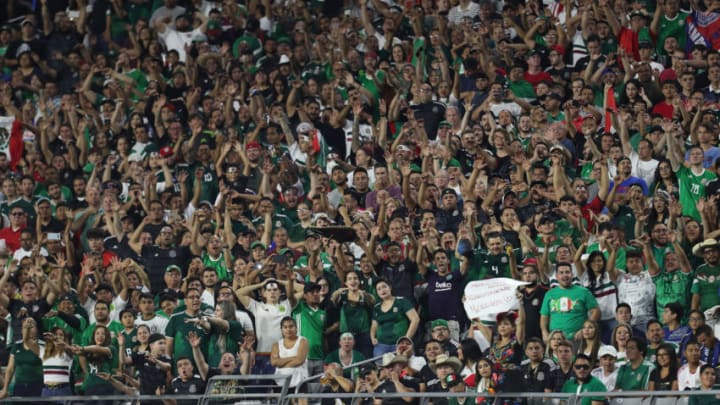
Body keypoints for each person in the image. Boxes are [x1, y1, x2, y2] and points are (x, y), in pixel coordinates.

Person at [540, 262, 600, 341]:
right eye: (561, 273)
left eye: (567, 272)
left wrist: (585, 329)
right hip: (555, 340)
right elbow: (544, 316)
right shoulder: (549, 294)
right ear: (557, 276)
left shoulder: (583, 292)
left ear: (572, 274)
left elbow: (596, 311)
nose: (564, 275)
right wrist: (544, 332)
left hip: (578, 339)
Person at [370, 278, 420, 357]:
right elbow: (374, 326)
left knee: (404, 368)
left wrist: (407, 338)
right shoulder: (377, 307)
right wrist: (372, 337)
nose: (382, 290)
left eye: (384, 287)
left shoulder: (402, 301)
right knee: (382, 368)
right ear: (377, 293)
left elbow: (415, 319)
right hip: (381, 345)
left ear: (390, 287)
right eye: (379, 289)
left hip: (400, 344)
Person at [0, 317, 43, 398]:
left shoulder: (43, 345)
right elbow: (10, 369)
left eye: (31, 326)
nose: (28, 329)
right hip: (19, 387)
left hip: (38, 386)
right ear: (22, 330)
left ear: (36, 329)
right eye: (25, 327)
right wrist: (5, 389)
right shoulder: (16, 346)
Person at [271, 316, 309, 391]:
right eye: (285, 327)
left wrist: (281, 364)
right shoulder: (276, 344)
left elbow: (299, 361)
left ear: (296, 328)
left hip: (299, 381)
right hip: (280, 381)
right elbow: (274, 362)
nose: (288, 329)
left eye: (291, 326)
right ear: (281, 329)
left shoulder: (303, 341)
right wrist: (293, 358)